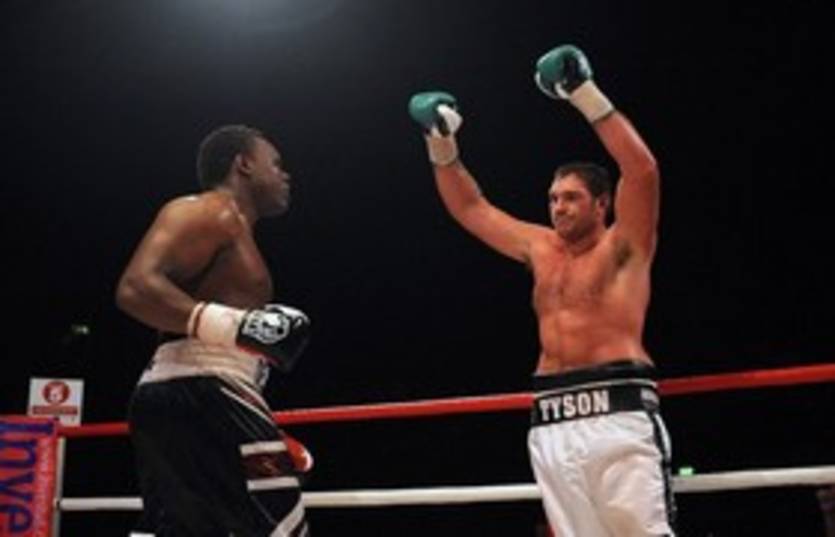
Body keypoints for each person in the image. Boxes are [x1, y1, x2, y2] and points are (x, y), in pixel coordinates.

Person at [409, 45, 674, 536]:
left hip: (618, 409)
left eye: (571, 198)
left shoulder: (625, 246)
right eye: (553, 199)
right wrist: (440, 142)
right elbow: (471, 209)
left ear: (602, 204)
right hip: (551, 417)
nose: (559, 207)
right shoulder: (540, 248)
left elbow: (642, 170)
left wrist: (583, 92)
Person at [116, 124, 313, 536]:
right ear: (243, 164)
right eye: (276, 164)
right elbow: (136, 288)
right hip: (207, 391)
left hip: (194, 395)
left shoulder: (234, 230)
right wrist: (236, 325)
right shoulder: (210, 211)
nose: (285, 175)